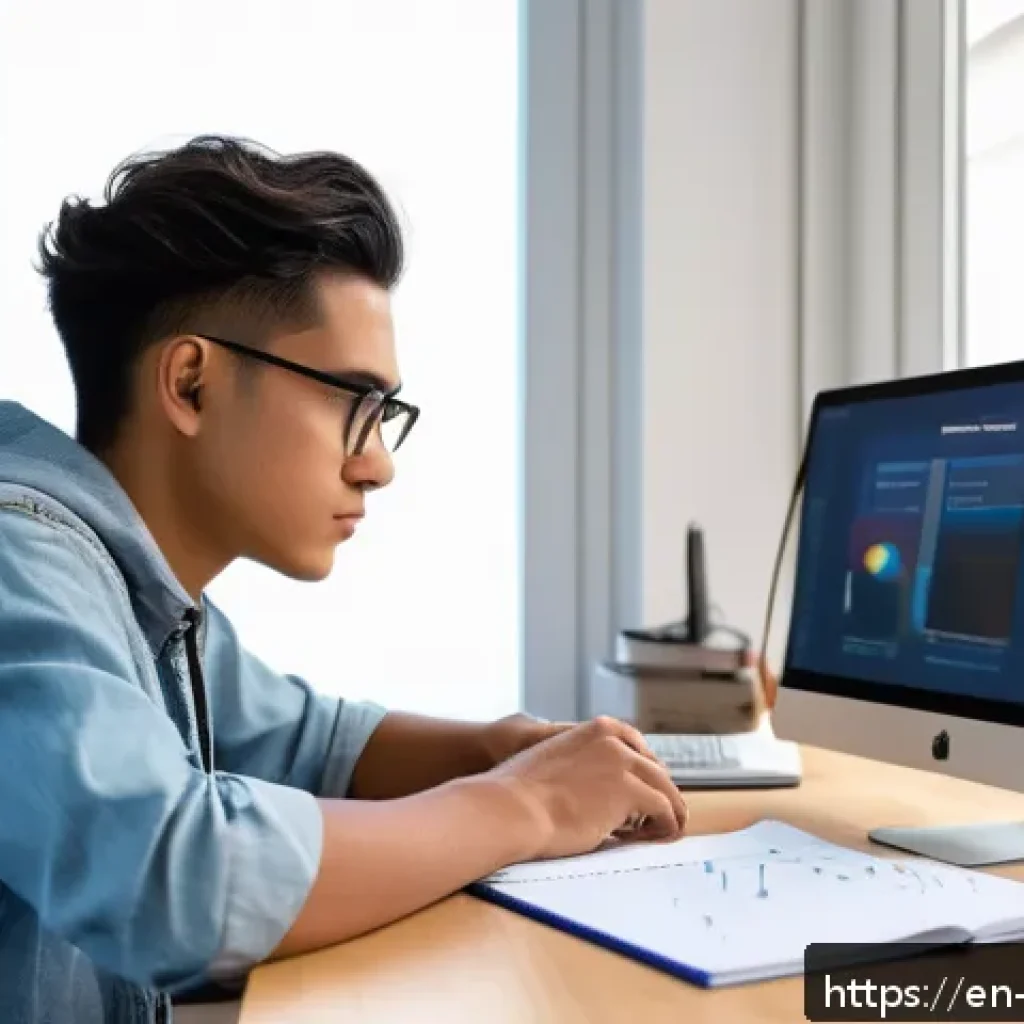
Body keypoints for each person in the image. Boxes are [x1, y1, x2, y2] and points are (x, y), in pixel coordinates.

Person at [0, 135, 689, 1024]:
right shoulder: (24, 563)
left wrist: (502, 747)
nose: (377, 466)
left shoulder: (138, 595)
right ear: (191, 383)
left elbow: (304, 742)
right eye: (352, 401)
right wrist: (528, 802)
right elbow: (174, 877)